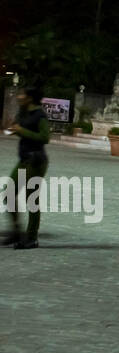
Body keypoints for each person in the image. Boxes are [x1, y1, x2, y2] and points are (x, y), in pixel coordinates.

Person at [5, 86, 50, 249]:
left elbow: (45, 138)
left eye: (22, 94)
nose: (19, 96)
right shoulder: (23, 112)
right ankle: (17, 231)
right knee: (8, 194)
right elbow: (20, 129)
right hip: (24, 160)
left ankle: (32, 238)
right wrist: (14, 130)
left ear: (30, 98)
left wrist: (22, 130)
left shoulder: (40, 115)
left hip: (36, 161)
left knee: (32, 200)